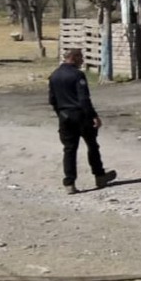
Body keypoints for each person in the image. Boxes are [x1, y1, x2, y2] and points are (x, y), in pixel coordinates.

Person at [48, 48, 116, 194]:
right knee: (92, 145)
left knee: (69, 150)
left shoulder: (54, 75)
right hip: (81, 116)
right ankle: (99, 175)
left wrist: (60, 114)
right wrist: (93, 116)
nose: (82, 60)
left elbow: (52, 100)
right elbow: (84, 99)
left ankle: (69, 183)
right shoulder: (77, 75)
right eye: (80, 57)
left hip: (64, 116)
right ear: (73, 57)